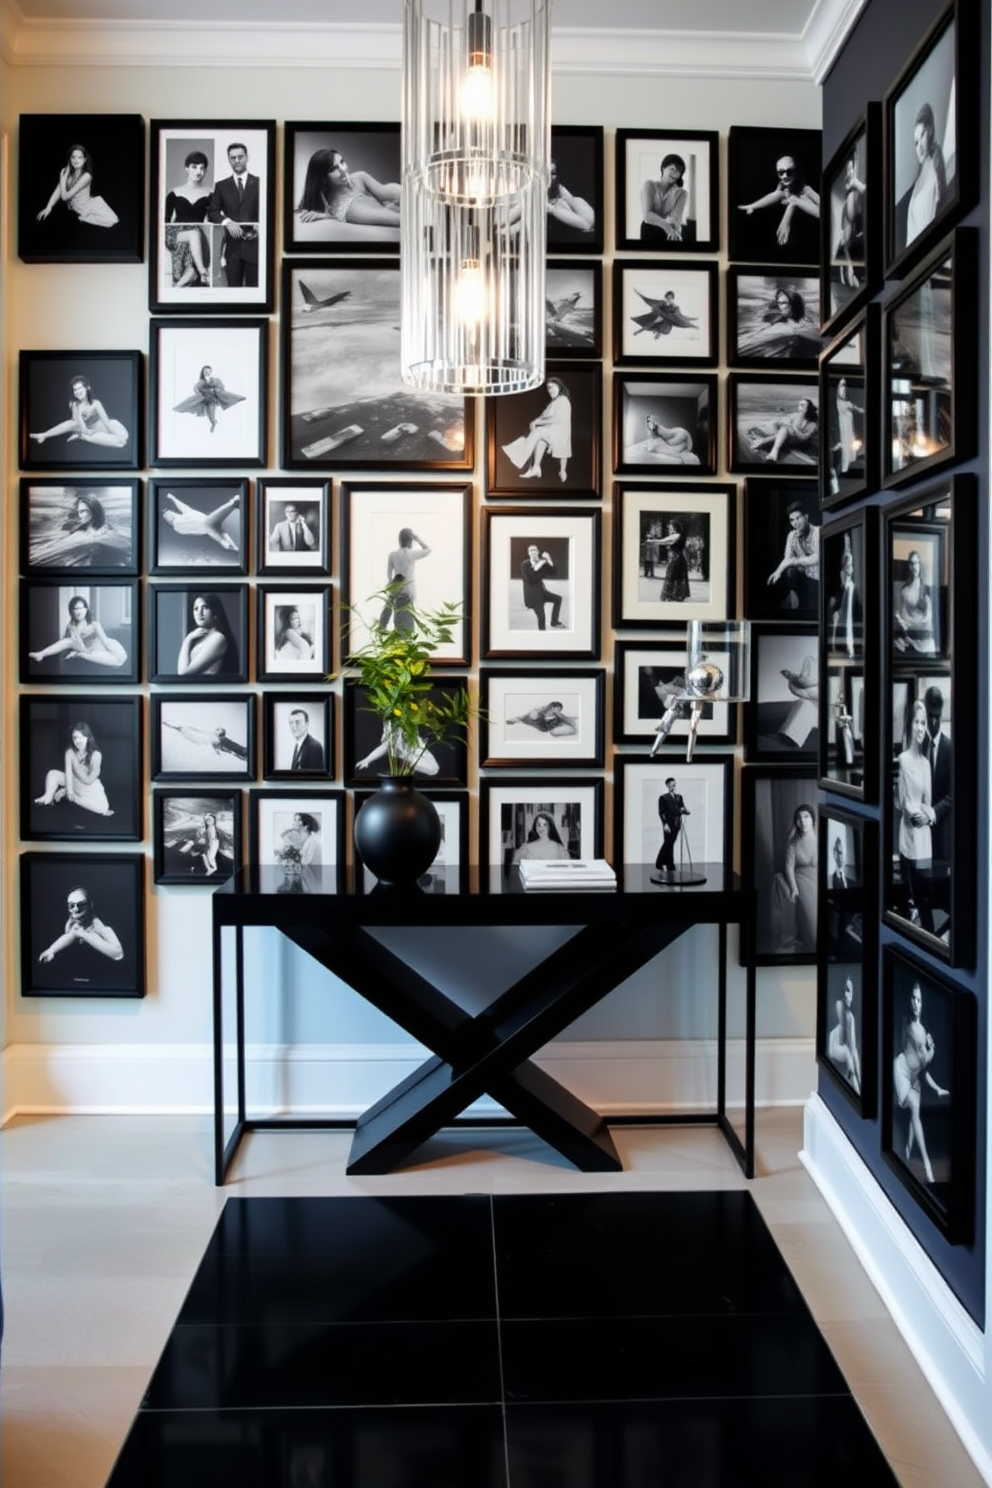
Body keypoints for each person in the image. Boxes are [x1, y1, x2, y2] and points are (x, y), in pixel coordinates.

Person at [893, 980, 948, 1184]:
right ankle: (927, 1166)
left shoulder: (923, 1030)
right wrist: (931, 1050)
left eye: (919, 999)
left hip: (914, 1078)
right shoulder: (909, 1027)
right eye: (913, 999)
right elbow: (918, 1059)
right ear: (909, 1001)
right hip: (901, 1071)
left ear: (922, 1003)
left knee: (913, 1118)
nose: (916, 1003)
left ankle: (906, 1154)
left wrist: (938, 1089)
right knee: (915, 1107)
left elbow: (923, 1071)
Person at [896, 699, 936, 930]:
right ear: (909, 725)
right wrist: (915, 813)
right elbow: (902, 803)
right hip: (908, 837)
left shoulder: (925, 764)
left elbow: (928, 805)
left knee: (926, 899)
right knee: (910, 897)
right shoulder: (903, 760)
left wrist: (927, 816)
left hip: (925, 838)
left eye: (923, 723)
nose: (920, 728)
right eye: (916, 722)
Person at [296, 147, 400, 227]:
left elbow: (384, 192)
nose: (343, 170)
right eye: (333, 169)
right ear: (323, 178)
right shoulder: (347, 208)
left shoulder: (360, 177)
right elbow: (397, 220)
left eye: (342, 162)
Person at [29, 490, 131, 569]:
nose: (80, 515)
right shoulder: (79, 531)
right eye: (79, 512)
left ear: (94, 511)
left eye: (83, 511)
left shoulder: (106, 532)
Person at [736, 154, 820, 248]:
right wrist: (752, 206)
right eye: (781, 172)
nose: (785, 176)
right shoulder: (783, 186)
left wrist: (794, 204)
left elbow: (823, 212)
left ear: (797, 171)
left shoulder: (806, 189)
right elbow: (775, 195)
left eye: (789, 172)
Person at [207, 141, 260, 288]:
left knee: (255, 291)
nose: (237, 161)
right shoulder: (221, 186)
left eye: (240, 157)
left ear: (247, 157)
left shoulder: (260, 183)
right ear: (229, 159)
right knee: (233, 290)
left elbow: (268, 210)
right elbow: (212, 212)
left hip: (256, 247)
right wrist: (227, 222)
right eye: (233, 158)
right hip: (232, 249)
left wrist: (259, 225)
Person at [34, 721, 113, 817]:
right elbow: (68, 772)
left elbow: (89, 781)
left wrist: (69, 791)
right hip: (73, 780)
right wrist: (70, 789)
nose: (78, 741)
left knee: (103, 809)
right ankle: (47, 797)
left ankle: (66, 792)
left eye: (82, 737)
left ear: (88, 737)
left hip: (89, 786)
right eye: (75, 738)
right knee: (52, 774)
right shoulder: (70, 752)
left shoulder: (96, 755)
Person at [502, 377, 572, 482]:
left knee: (537, 432)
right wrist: (535, 421)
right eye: (548, 389)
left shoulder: (563, 400)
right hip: (553, 432)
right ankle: (536, 468)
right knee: (539, 440)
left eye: (551, 387)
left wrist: (537, 423)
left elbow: (557, 419)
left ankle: (520, 457)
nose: (549, 390)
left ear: (558, 386)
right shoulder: (554, 402)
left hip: (559, 434)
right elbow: (544, 415)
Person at [29, 376, 129, 450]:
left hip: (104, 428)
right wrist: (80, 415)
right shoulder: (74, 404)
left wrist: (93, 432)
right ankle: (44, 435)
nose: (76, 392)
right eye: (74, 390)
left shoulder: (96, 404)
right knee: (72, 424)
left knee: (122, 440)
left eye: (79, 388)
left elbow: (107, 423)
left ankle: (81, 436)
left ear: (87, 388)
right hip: (88, 431)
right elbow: (76, 424)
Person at [29, 595, 127, 670]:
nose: (78, 612)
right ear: (71, 611)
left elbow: (105, 641)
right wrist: (76, 648)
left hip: (105, 649)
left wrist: (110, 651)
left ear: (86, 609)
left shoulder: (94, 625)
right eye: (75, 609)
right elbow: (63, 643)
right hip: (92, 652)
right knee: (69, 641)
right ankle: (41, 654)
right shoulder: (71, 627)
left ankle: (79, 654)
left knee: (119, 660)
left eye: (81, 608)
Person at [36, 144, 118, 229]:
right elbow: (58, 190)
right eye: (73, 157)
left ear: (85, 159)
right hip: (76, 209)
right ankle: (84, 217)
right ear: (70, 159)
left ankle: (86, 218)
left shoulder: (87, 176)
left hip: (87, 206)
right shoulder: (68, 173)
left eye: (80, 157)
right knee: (112, 221)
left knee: (113, 221)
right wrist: (48, 207)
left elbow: (64, 197)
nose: (76, 160)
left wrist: (62, 178)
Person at [38, 886, 123, 964]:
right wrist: (51, 951)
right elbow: (71, 935)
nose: (75, 909)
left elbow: (118, 954)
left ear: (90, 906)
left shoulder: (100, 926)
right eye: (71, 905)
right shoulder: (72, 922)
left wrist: (86, 935)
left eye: (81, 905)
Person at [163, 149, 212, 287]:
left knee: (191, 270)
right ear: (186, 168)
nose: (198, 171)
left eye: (202, 168)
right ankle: (203, 271)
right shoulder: (174, 193)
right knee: (194, 234)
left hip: (196, 233)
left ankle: (176, 288)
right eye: (194, 167)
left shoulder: (210, 193)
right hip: (175, 233)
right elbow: (165, 220)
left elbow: (211, 219)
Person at [737, 286, 821, 360]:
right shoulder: (780, 325)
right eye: (778, 303)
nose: (779, 306)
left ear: (794, 304)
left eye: (783, 303)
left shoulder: (801, 324)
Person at [906, 102, 947, 247]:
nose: (920, 148)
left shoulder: (933, 176)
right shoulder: (920, 177)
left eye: (922, 135)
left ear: (929, 131)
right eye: (916, 143)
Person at [767, 501, 819, 611]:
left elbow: (816, 558)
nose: (795, 523)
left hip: (819, 579)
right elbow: (787, 558)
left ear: (806, 517)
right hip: (804, 579)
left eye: (798, 518)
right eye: (792, 520)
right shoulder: (792, 535)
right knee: (789, 571)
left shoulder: (817, 532)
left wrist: (795, 561)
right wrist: (777, 572)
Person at [781, 803, 818, 952]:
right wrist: (794, 888)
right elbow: (789, 866)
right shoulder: (793, 842)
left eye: (806, 817)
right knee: (811, 923)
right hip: (801, 880)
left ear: (812, 819)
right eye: (800, 818)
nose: (803, 821)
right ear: (797, 821)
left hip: (818, 881)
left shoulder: (820, 838)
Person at [379, 529, 431, 633]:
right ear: (410, 541)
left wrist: (391, 587)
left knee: (397, 615)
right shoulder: (411, 554)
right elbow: (428, 550)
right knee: (407, 622)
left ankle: (382, 627)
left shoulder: (392, 554)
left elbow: (389, 574)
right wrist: (417, 538)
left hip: (396, 588)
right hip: (407, 591)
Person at [177, 592, 239, 677]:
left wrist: (187, 639)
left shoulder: (218, 638)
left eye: (205, 607)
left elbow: (184, 674)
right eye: (196, 609)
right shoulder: (197, 637)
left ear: (216, 613)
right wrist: (189, 639)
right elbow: (181, 673)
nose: (200, 612)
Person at [923, 685, 952, 864]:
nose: (934, 722)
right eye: (930, 717)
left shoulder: (950, 748)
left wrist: (934, 812)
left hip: (942, 833)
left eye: (937, 717)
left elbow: (952, 795)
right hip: (921, 834)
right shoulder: (920, 745)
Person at [162, 489, 240, 553]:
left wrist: (173, 498)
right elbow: (183, 511)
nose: (170, 513)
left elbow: (182, 507)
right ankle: (232, 503)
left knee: (221, 532)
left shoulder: (180, 519)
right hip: (206, 524)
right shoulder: (177, 525)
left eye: (169, 512)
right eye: (167, 515)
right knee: (212, 526)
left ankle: (232, 546)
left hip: (207, 524)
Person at [172, 366, 245, 433]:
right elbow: (195, 388)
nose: (207, 372)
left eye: (208, 371)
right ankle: (213, 422)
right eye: (205, 371)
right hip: (204, 400)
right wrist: (201, 393)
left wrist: (214, 390)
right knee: (208, 415)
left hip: (212, 400)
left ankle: (213, 423)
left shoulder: (215, 380)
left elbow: (220, 387)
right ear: (203, 372)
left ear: (211, 372)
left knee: (211, 413)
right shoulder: (201, 381)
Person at [747, 397, 819, 464]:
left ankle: (772, 450)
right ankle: (762, 443)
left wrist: (794, 428)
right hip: (792, 437)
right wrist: (783, 412)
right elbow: (789, 416)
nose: (799, 408)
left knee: (785, 428)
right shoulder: (798, 415)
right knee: (779, 426)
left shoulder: (813, 423)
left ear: (809, 408)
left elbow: (803, 438)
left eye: (802, 405)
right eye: (799, 405)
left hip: (801, 443)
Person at [356, 722, 440, 777]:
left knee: (434, 769)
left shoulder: (411, 717)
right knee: (432, 769)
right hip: (404, 751)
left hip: (413, 748)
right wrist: (367, 760)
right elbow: (385, 746)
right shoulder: (394, 725)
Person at [893, 550, 936, 655]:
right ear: (909, 566)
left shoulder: (925, 589)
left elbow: (928, 617)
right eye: (911, 563)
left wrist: (911, 622)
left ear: (920, 565)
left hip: (923, 638)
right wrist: (902, 620)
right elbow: (902, 615)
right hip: (909, 636)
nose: (914, 567)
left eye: (916, 563)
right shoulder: (904, 590)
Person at [640, 153, 689, 244]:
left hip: (668, 233)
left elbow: (676, 220)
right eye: (672, 169)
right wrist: (667, 226)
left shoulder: (682, 194)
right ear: (663, 168)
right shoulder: (649, 185)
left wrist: (676, 233)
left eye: (678, 171)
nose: (675, 173)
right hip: (649, 229)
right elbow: (647, 215)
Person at [835, 151, 866, 287]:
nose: (848, 174)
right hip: (849, 252)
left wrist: (856, 183)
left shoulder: (858, 195)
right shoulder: (846, 204)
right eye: (847, 170)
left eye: (851, 170)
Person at [828, 977, 862, 1095]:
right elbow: (845, 1044)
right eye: (846, 990)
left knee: (852, 1053)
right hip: (834, 1044)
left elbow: (853, 1048)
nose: (848, 995)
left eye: (850, 991)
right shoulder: (839, 1005)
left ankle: (858, 1089)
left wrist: (860, 1078)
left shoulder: (850, 1017)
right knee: (848, 1053)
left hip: (844, 1049)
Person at [520, 543, 564, 630]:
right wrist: (539, 564)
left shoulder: (541, 563)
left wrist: (549, 559)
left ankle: (554, 622)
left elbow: (553, 572)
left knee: (558, 599)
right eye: (530, 550)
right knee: (541, 617)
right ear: (528, 553)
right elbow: (531, 579)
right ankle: (542, 636)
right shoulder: (525, 565)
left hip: (542, 592)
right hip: (532, 596)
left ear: (538, 552)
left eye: (534, 550)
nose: (532, 552)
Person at [625, 415, 699, 466]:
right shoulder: (670, 434)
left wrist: (657, 448)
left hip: (680, 446)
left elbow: (672, 448)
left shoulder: (681, 433)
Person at [778, 655, 818, 749]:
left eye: (787, 673)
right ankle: (788, 735)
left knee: (808, 707)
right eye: (785, 674)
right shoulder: (795, 686)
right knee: (803, 704)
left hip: (823, 707)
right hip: (812, 704)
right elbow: (805, 693)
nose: (787, 674)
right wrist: (792, 680)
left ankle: (792, 738)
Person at [546, 159, 595, 235]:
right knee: (560, 204)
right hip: (554, 232)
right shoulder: (535, 191)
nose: (550, 177)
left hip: (579, 227)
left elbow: (572, 201)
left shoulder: (558, 188)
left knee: (575, 200)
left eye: (553, 173)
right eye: (546, 173)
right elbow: (586, 225)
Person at [828, 541, 859, 658]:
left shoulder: (854, 589)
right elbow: (836, 607)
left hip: (850, 631)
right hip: (841, 629)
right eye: (848, 565)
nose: (850, 568)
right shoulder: (841, 588)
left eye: (851, 565)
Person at [831, 377, 863, 488]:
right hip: (843, 429)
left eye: (845, 386)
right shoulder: (839, 403)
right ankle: (843, 469)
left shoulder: (847, 403)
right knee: (844, 448)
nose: (844, 388)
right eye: (841, 386)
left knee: (849, 447)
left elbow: (858, 409)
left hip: (849, 428)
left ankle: (847, 468)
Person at [655, 777, 689, 877]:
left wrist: (684, 810)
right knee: (667, 843)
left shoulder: (679, 797)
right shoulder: (663, 798)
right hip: (668, 824)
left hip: (677, 823)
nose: (673, 786)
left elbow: (682, 807)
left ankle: (669, 864)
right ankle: (660, 863)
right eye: (671, 784)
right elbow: (661, 813)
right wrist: (664, 824)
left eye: (674, 784)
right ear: (667, 785)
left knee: (671, 844)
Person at [162, 721, 248, 760]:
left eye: (219, 729)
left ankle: (245, 753)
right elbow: (199, 731)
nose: (216, 729)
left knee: (235, 748)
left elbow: (233, 746)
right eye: (217, 729)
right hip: (222, 745)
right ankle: (244, 753)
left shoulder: (219, 738)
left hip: (234, 748)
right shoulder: (213, 736)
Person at [657, 518, 690, 603]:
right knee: (675, 576)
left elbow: (664, 541)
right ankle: (676, 595)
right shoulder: (678, 535)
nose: (669, 529)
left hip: (675, 559)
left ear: (675, 527)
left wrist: (653, 541)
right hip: (677, 558)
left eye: (671, 527)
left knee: (672, 575)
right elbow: (666, 543)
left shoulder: (677, 535)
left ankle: (672, 595)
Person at [505, 701, 578, 738]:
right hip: (538, 721)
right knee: (527, 717)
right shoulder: (541, 711)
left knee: (530, 717)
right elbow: (528, 716)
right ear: (551, 707)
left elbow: (564, 718)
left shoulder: (557, 717)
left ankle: (519, 720)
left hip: (544, 726)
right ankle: (514, 720)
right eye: (556, 708)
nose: (557, 710)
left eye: (559, 709)